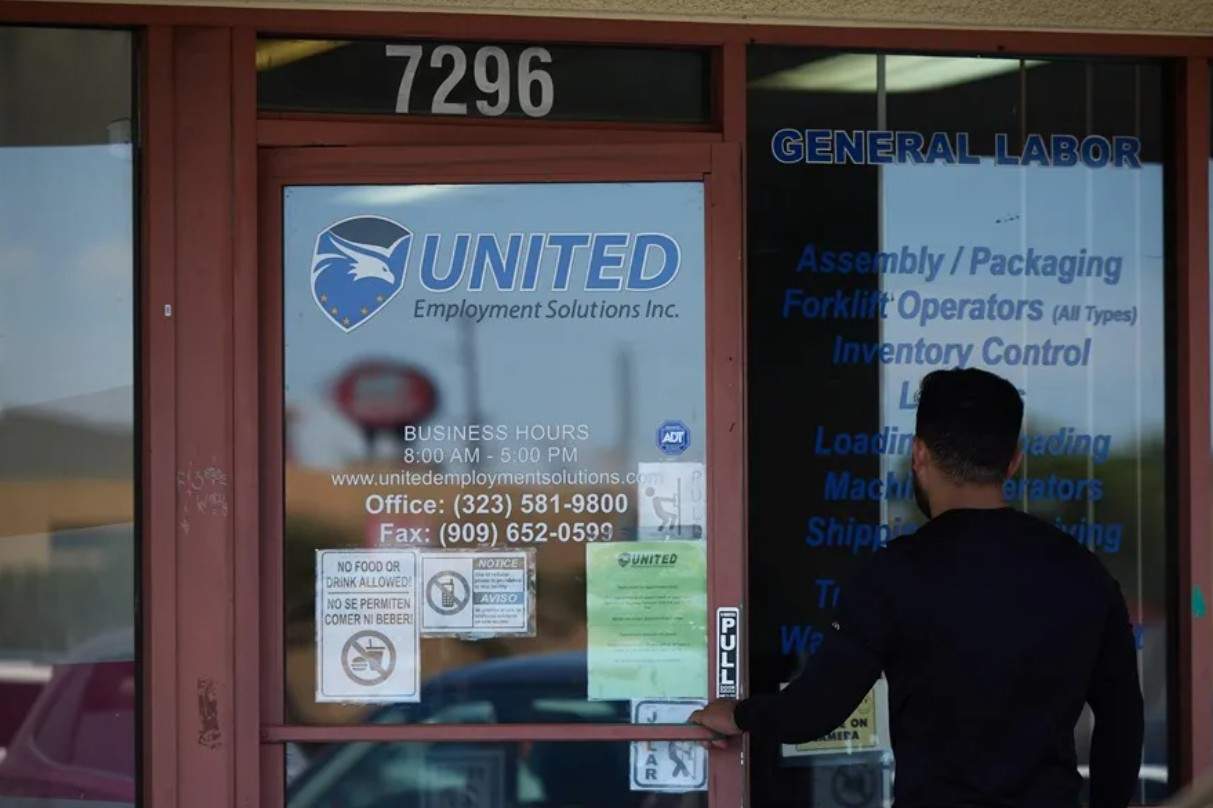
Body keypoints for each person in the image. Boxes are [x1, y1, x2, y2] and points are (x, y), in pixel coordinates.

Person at [691, 367, 1144, 808]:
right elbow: (1122, 719)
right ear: (1013, 462)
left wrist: (735, 713)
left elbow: (813, 711)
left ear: (919, 454)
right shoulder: (1082, 572)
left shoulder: (896, 573)